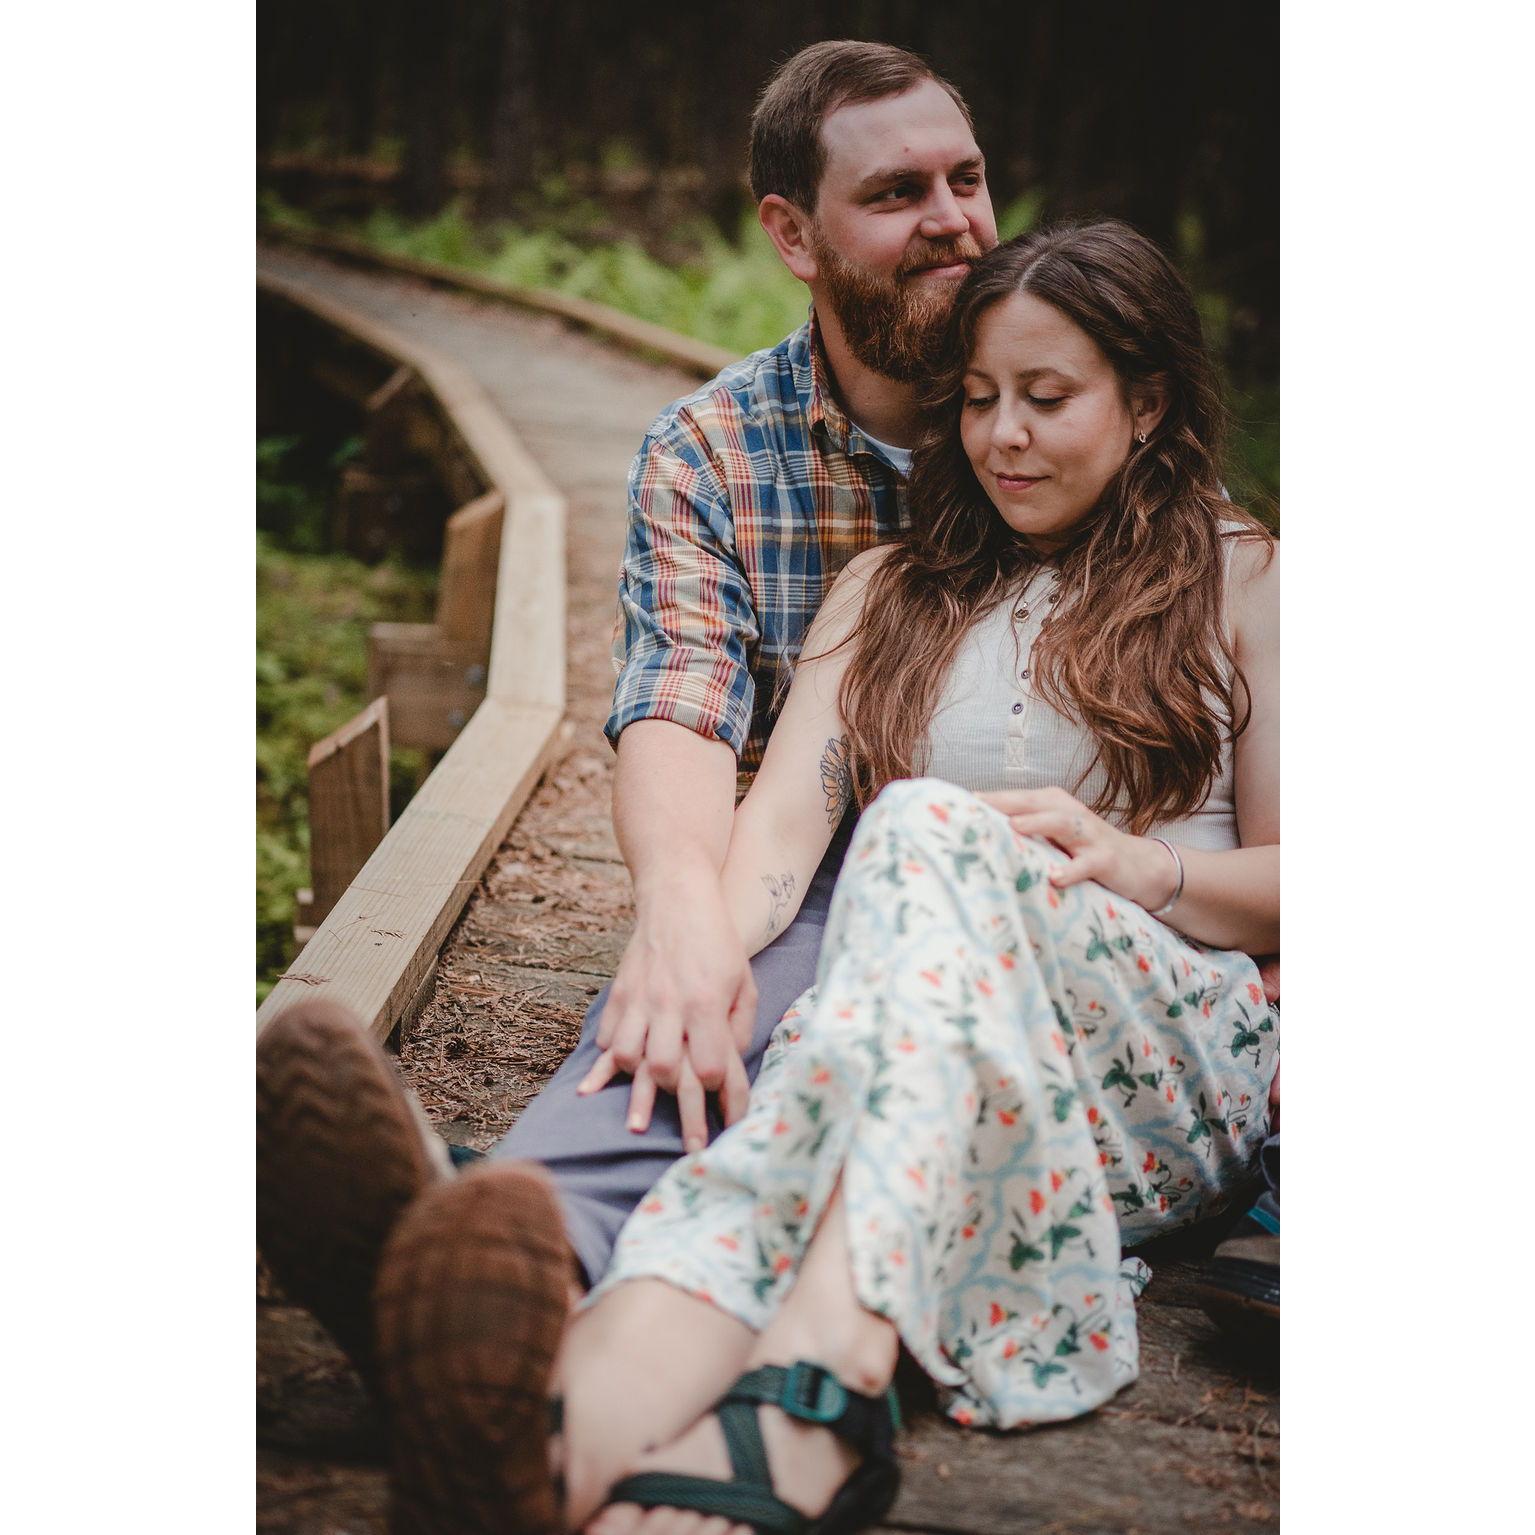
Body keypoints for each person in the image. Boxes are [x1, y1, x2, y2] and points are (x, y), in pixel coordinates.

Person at [257, 38, 1001, 1533]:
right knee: (693, 1010)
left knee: (839, 1045)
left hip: (997, 883)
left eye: (968, 179)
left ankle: (460, 1264)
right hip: (783, 859)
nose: (953, 222)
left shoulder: (1069, 399)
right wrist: (677, 909)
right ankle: (500, 1255)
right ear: (793, 233)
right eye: (897, 193)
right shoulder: (714, 448)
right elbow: (678, 700)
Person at [555, 219, 1279, 1533]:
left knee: (921, 834)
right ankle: (558, 1433)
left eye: (1048, 398)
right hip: (920, 1043)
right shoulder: (886, 589)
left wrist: (1143, 865)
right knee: (817, 1081)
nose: (1004, 435)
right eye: (980, 399)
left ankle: (827, 1365)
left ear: (1147, 402)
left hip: (1160, 1063)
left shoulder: (1248, 579)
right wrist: (689, 959)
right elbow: (777, 849)